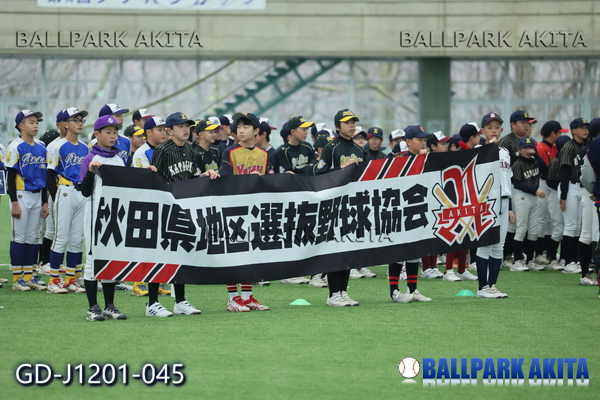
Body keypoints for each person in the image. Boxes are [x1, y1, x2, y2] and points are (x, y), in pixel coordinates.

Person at [146, 111, 217, 317]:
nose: (186, 130)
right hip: (164, 206)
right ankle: (152, 303)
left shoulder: (189, 148)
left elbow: (191, 176)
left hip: (183, 206)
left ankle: (180, 301)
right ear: (169, 130)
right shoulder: (163, 149)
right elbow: (155, 178)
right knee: (160, 254)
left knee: (181, 253)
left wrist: (204, 175)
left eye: (187, 126)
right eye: (180, 126)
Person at [79, 115, 130, 321]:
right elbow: (84, 191)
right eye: (108, 132)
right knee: (93, 259)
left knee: (111, 256)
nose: (113, 135)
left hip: (114, 214)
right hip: (94, 214)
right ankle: (92, 307)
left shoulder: (118, 158)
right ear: (97, 134)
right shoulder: (89, 158)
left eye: (115, 132)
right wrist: (91, 171)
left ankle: (109, 305)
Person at [312, 109, 365, 306]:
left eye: (353, 122)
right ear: (337, 126)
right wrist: (340, 169)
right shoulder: (331, 148)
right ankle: (333, 294)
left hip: (353, 205)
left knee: (348, 249)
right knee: (335, 249)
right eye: (347, 122)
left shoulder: (360, 149)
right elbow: (318, 174)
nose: (351, 125)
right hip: (334, 206)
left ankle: (343, 291)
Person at [220, 112, 270, 311]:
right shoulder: (229, 152)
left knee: (251, 254)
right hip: (233, 209)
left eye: (246, 126)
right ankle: (233, 298)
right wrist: (248, 180)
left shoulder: (264, 154)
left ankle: (248, 297)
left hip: (255, 210)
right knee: (233, 255)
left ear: (256, 131)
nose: (241, 130)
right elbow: (224, 181)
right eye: (239, 126)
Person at [47, 107, 89, 294]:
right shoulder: (58, 146)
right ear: (65, 124)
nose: (79, 123)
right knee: (60, 237)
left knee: (76, 239)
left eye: (81, 120)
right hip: (64, 191)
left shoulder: (85, 147)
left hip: (81, 193)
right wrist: (57, 196)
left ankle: (70, 280)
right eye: (75, 120)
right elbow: (50, 174)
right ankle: (53, 281)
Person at [6, 110, 49, 291]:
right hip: (21, 195)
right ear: (21, 126)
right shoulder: (15, 146)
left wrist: (45, 202)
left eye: (37, 122)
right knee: (19, 237)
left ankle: (30, 276)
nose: (35, 125)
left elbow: (44, 175)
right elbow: (10, 177)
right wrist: (14, 202)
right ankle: (18, 279)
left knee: (33, 237)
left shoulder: (41, 146)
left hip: (37, 195)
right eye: (31, 122)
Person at [475, 112, 514, 298]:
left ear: (501, 130)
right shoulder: (478, 150)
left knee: (499, 245)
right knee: (485, 245)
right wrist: (489, 148)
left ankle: (492, 285)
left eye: (497, 127)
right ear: (482, 130)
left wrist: (510, 207)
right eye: (489, 127)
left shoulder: (505, 152)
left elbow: (508, 180)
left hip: (504, 201)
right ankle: (482, 287)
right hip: (487, 202)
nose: (493, 131)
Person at [130, 115, 170, 297]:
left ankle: (159, 280)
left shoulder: (166, 150)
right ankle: (138, 283)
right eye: (159, 129)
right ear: (148, 132)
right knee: (145, 243)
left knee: (161, 242)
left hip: (163, 200)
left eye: (164, 129)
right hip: (145, 201)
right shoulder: (142, 152)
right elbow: (141, 180)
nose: (164, 132)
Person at [510, 137, 548, 272]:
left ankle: (530, 260)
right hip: (522, 196)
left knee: (533, 230)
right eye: (525, 148)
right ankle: (517, 262)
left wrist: (535, 154)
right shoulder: (517, 163)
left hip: (533, 198)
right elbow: (516, 183)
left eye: (530, 147)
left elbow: (545, 169)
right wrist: (535, 191)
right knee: (521, 228)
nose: (528, 150)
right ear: (519, 150)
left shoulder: (535, 161)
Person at [559, 118, 589, 273]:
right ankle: (567, 262)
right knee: (570, 226)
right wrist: (563, 197)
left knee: (578, 227)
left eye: (586, 127)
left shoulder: (585, 145)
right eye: (581, 127)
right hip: (569, 186)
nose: (585, 130)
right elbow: (564, 172)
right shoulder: (568, 146)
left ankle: (576, 260)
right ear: (573, 130)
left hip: (581, 187)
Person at [535, 120, 567, 266]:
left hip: (553, 185)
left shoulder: (554, 147)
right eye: (559, 132)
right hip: (543, 183)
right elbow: (546, 170)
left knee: (550, 220)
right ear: (553, 133)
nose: (560, 135)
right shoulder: (541, 148)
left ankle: (548, 252)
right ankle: (539, 252)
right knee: (542, 218)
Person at [576, 118, 600, 285]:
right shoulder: (588, 148)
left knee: (594, 234)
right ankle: (585, 273)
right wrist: (594, 191)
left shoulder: (591, 146)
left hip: (594, 191)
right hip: (589, 192)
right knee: (588, 234)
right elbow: (585, 176)